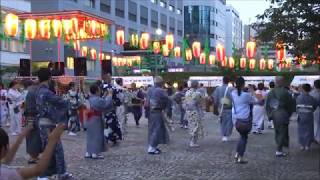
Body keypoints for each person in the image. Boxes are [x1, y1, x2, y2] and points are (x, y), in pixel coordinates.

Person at [35, 68, 72, 180]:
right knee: (56, 149)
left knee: (49, 149)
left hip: (42, 123)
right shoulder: (46, 92)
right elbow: (62, 103)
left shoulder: (38, 91)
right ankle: (60, 173)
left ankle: (46, 174)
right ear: (50, 78)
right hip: (48, 124)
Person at [0, 124, 66, 180]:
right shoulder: (6, 174)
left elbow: (6, 160)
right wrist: (52, 140)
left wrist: (21, 136)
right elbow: (37, 170)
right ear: (3, 148)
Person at [266, 76, 295, 157]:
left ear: (276, 82)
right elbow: (291, 104)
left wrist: (270, 114)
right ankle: (279, 149)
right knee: (282, 132)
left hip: (274, 114)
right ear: (282, 82)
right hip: (283, 113)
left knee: (277, 131)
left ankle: (279, 147)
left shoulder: (271, 92)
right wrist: (289, 114)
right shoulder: (286, 92)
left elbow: (267, 105)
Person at [231, 77, 258, 164]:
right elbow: (257, 101)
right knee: (244, 138)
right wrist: (253, 91)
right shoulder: (246, 95)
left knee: (242, 137)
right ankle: (240, 157)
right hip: (245, 119)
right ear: (243, 84)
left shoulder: (232, 93)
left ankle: (237, 154)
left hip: (236, 119)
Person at [85, 84, 113, 159]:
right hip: (95, 118)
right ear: (97, 91)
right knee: (97, 135)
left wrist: (104, 96)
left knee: (90, 135)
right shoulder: (97, 99)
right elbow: (105, 104)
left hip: (89, 117)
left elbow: (100, 101)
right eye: (99, 90)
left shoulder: (90, 98)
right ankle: (95, 152)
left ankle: (89, 152)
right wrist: (110, 95)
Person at [147, 76, 170, 154]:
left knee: (152, 129)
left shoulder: (150, 90)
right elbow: (167, 100)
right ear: (161, 83)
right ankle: (152, 148)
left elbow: (147, 102)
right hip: (157, 111)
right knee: (157, 129)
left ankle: (153, 146)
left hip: (150, 112)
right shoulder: (160, 90)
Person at [22, 79, 42, 164]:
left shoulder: (29, 92)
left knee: (31, 137)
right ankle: (33, 157)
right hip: (32, 116)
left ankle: (32, 156)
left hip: (29, 116)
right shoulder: (33, 92)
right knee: (34, 137)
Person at [102, 74, 123, 144]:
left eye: (110, 77)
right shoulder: (106, 87)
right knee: (110, 123)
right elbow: (116, 97)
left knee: (111, 123)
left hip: (110, 108)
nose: (110, 78)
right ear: (106, 78)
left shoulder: (111, 87)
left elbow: (117, 96)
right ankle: (108, 136)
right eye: (108, 77)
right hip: (108, 108)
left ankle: (111, 137)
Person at [296, 84, 318, 150]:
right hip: (309, 115)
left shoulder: (298, 97)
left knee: (301, 130)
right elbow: (315, 107)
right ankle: (307, 145)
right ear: (310, 89)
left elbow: (296, 106)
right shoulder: (312, 98)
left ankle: (302, 145)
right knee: (309, 130)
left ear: (302, 89)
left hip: (301, 115)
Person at [212, 76, 233, 142]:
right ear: (228, 81)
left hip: (221, 108)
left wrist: (215, 107)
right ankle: (227, 134)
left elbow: (215, 98)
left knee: (222, 122)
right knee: (229, 122)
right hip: (230, 108)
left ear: (223, 81)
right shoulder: (231, 89)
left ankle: (224, 135)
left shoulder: (218, 89)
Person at [184, 81, 204, 147]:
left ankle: (192, 140)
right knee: (196, 126)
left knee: (191, 126)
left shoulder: (187, 92)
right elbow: (200, 103)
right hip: (195, 111)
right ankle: (193, 141)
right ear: (197, 86)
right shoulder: (197, 93)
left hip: (188, 111)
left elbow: (185, 101)